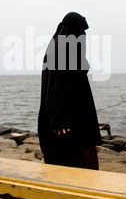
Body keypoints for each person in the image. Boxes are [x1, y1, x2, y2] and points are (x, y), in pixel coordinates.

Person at [38, 12, 102, 170]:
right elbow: (55, 88)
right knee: (76, 165)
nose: (82, 36)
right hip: (67, 125)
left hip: (74, 120)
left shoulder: (61, 48)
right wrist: (60, 122)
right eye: (80, 31)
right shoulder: (60, 51)